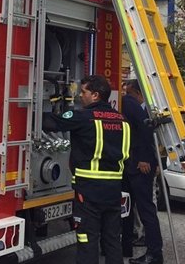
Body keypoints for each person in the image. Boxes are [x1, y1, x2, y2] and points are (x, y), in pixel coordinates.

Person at [43, 75, 130, 264]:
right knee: (112, 239)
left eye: (84, 92)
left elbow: (51, 123)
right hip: (114, 190)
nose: (81, 96)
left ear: (96, 95)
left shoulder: (83, 117)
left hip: (89, 191)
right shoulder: (122, 120)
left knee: (87, 239)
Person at [121, 80, 163, 264]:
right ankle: (129, 246)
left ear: (135, 92)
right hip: (133, 164)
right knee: (131, 208)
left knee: (143, 210)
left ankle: (154, 253)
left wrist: (144, 159)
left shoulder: (130, 104)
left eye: (127, 90)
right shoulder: (133, 104)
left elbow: (146, 129)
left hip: (138, 165)